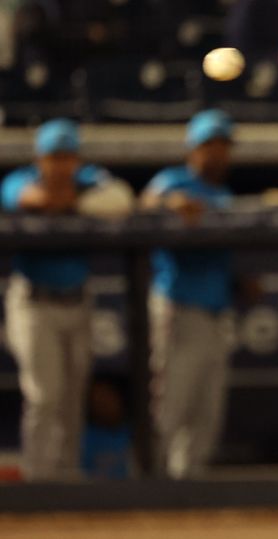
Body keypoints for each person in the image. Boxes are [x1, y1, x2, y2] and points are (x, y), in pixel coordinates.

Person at [1, 118, 132, 481]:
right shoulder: (19, 180)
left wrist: (76, 199)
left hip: (77, 301)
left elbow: (121, 198)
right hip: (33, 302)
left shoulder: (90, 177)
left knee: (74, 397)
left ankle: (68, 477)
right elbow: (34, 199)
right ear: (39, 159)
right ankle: (39, 479)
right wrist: (81, 204)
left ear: (77, 159)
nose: (60, 165)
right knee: (44, 395)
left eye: (67, 156)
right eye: (53, 157)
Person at [140, 109, 237, 479]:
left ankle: (189, 484)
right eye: (208, 145)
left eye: (222, 146)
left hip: (216, 310)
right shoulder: (172, 181)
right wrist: (168, 204)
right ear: (192, 149)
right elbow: (144, 205)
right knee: (170, 404)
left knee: (207, 407)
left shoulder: (223, 194)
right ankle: (153, 481)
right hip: (178, 306)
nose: (216, 153)